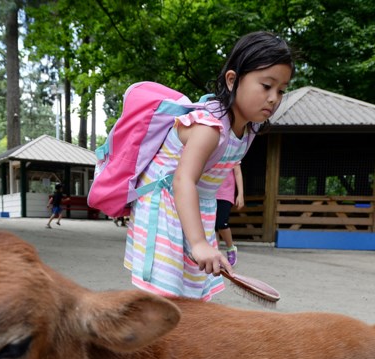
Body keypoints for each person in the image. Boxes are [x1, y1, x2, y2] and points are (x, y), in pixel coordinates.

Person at [123, 31, 292, 300]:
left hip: (198, 207)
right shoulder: (209, 126)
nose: (274, 98)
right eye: (266, 86)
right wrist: (199, 243)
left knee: (192, 292)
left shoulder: (249, 130)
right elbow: (183, 180)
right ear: (232, 80)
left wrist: (202, 240)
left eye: (281, 90)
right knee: (165, 296)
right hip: (164, 204)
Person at [215, 163, 244, 266]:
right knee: (213, 227)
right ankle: (216, 254)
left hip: (225, 193)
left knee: (222, 224)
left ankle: (231, 248)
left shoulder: (233, 149)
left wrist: (240, 194)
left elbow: (237, 172)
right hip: (210, 192)